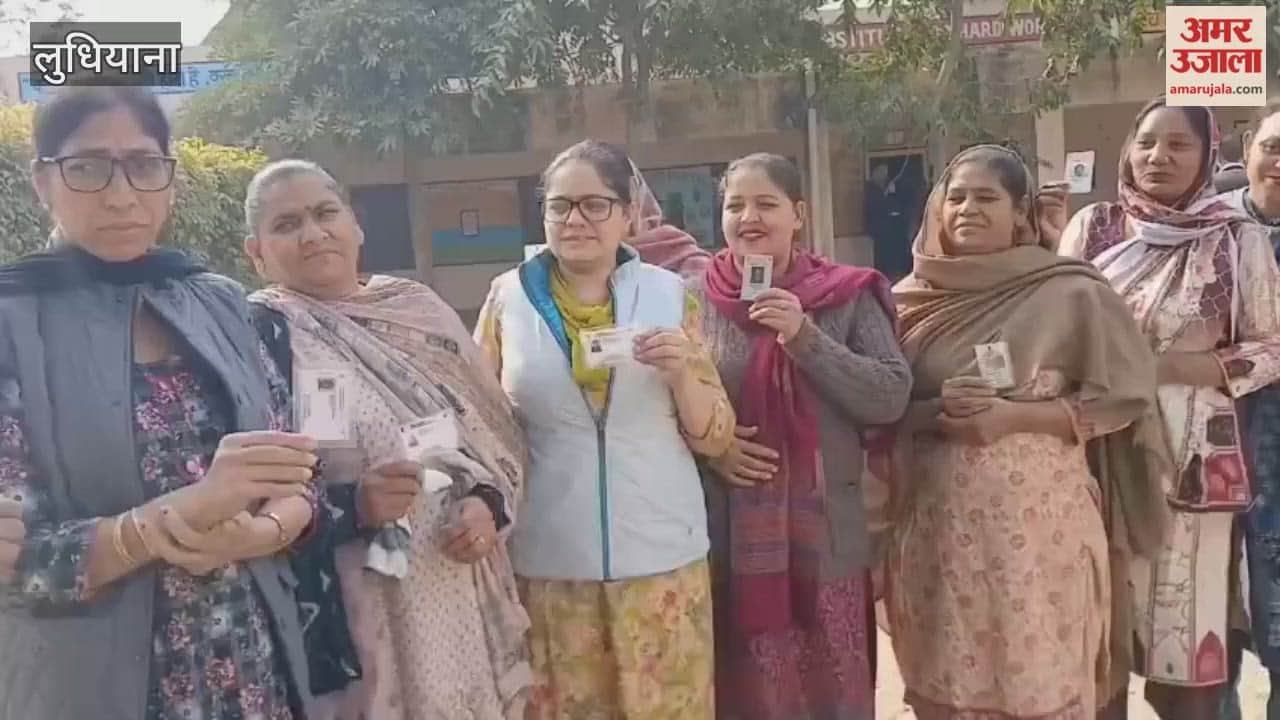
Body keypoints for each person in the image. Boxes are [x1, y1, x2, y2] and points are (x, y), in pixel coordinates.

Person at [0, 86, 320, 720]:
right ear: (42, 181)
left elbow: (299, 474)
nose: (122, 195)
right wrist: (181, 514)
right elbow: (19, 566)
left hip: (250, 666)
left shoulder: (221, 304)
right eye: (88, 167)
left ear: (170, 179)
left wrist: (257, 533)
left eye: (144, 165)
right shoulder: (13, 325)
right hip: (93, 684)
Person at [884, 143, 1169, 720]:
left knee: (1040, 680)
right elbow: (882, 405)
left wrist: (1014, 418)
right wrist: (935, 410)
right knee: (946, 682)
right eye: (956, 197)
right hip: (938, 529)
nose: (967, 208)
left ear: (1020, 212)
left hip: (1041, 533)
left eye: (987, 197)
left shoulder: (1071, 292)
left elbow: (1123, 399)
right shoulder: (907, 301)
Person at [241, 159, 532, 719]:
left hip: (454, 578)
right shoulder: (259, 336)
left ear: (356, 226)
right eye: (286, 224)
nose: (313, 232)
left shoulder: (417, 311)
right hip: (354, 598)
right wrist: (354, 505)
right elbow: (251, 492)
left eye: (326, 213)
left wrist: (487, 504)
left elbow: (494, 431)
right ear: (256, 252)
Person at [474, 139, 736, 719]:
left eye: (595, 204)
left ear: (627, 213)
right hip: (550, 565)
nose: (576, 220)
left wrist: (680, 376)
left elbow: (715, 435)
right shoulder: (507, 300)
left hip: (662, 563)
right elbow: (479, 422)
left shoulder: (671, 298)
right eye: (560, 206)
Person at [1057, 97, 1280, 720]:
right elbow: (1056, 329)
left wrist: (1171, 370)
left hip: (1189, 464)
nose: (1159, 157)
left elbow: (1271, 349)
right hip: (1091, 451)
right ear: (1128, 150)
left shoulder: (1238, 240)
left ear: (1208, 157)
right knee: (1095, 638)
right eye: (1147, 142)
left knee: (1185, 652)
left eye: (1179, 145)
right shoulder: (1095, 227)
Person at [692, 152, 910, 719]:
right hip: (728, 537)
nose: (749, 217)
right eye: (735, 205)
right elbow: (664, 408)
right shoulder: (693, 300)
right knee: (746, 694)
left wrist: (804, 336)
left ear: (799, 215)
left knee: (832, 693)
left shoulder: (847, 294)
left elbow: (889, 397)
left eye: (766, 203)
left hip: (827, 540)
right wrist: (714, 447)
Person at [1219, 104, 1280, 720]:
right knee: (1208, 612)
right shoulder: (1210, 231)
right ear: (1248, 148)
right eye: (1273, 146)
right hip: (1207, 440)